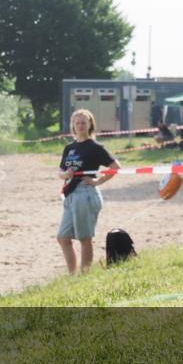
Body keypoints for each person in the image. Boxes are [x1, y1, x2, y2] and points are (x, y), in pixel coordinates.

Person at [57, 110, 121, 274]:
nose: (80, 125)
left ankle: (85, 276)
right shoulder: (69, 147)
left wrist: (97, 181)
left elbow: (115, 168)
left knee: (84, 238)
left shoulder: (95, 147)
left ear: (90, 124)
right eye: (77, 122)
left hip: (86, 194)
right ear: (73, 125)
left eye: (83, 122)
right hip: (70, 194)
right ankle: (73, 275)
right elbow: (60, 172)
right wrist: (66, 174)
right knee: (63, 238)